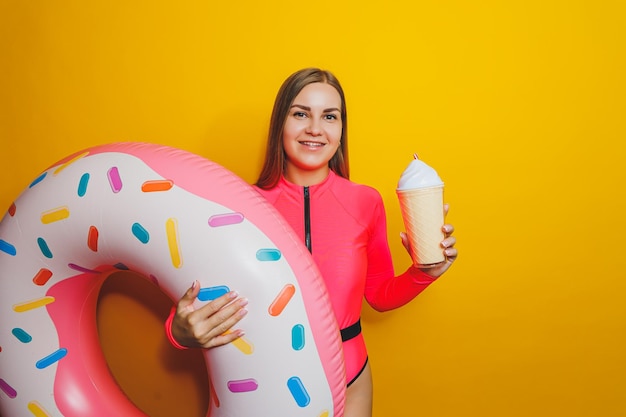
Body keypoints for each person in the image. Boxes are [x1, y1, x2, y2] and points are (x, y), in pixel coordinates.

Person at [166, 68, 458, 416]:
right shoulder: (241, 206)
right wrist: (177, 331)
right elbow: (200, 299)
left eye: (329, 116)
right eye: (301, 113)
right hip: (263, 382)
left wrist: (425, 272)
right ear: (281, 125)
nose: (315, 128)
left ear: (340, 130)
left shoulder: (366, 202)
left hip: (350, 382)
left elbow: (379, 296)